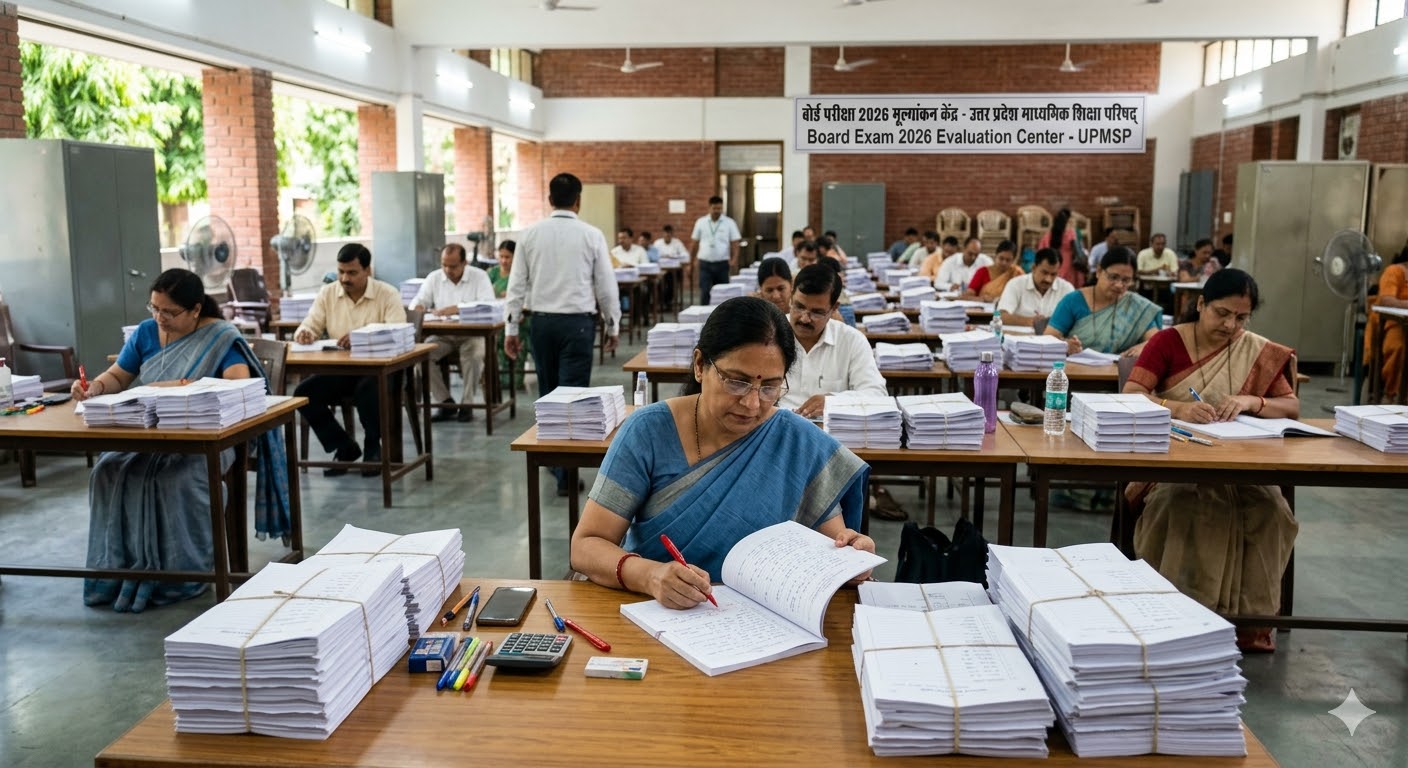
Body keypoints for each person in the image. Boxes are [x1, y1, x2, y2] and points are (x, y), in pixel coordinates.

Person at [568, 296, 874, 606]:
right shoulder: (649, 432)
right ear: (700, 365)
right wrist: (650, 576)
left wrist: (851, 557)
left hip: (767, 617)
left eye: (769, 387)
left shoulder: (797, 441)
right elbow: (586, 546)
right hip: (659, 612)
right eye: (737, 382)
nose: (752, 403)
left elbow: (834, 549)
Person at [73, 268, 289, 612]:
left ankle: (184, 576)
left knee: (173, 478)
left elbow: (238, 383)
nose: (160, 318)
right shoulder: (146, 333)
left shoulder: (220, 337)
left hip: (205, 440)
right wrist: (95, 387)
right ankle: (116, 571)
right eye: (154, 308)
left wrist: (177, 387)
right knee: (107, 471)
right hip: (146, 435)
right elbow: (119, 375)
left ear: (195, 310)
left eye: (169, 312)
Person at [1122, 269, 1298, 653]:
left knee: (1271, 510)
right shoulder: (1169, 342)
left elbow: (1292, 405)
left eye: (1241, 318)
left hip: (1240, 463)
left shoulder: (1255, 348)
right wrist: (1177, 408)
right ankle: (1174, 621)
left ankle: (1247, 626)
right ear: (1200, 304)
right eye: (1222, 313)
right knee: (1185, 503)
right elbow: (1132, 393)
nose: (1230, 325)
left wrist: (1254, 401)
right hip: (1173, 463)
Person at [506, 172, 621, 496]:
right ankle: (564, 473)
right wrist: (612, 324)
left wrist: (511, 328)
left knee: (547, 394)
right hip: (577, 325)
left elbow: (516, 286)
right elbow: (605, 285)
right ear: (578, 200)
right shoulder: (591, 234)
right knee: (572, 398)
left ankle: (556, 465)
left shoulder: (529, 235)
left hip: (541, 324)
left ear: (549, 199)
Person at [295, 243, 407, 476]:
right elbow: (310, 323)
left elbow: (397, 331)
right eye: (341, 272)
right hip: (342, 370)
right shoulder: (328, 293)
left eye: (352, 272)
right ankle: (344, 446)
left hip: (382, 371)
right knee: (304, 394)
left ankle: (372, 445)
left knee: (368, 388)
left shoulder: (387, 294)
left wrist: (362, 338)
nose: (345, 278)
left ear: (368, 270)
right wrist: (304, 332)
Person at [411, 243, 496, 423]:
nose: (448, 270)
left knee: (473, 354)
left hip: (472, 335)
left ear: (464, 263)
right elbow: (418, 301)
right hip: (444, 335)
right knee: (420, 356)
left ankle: (467, 405)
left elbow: (488, 304)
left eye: (453, 266)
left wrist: (458, 309)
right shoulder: (434, 278)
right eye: (444, 265)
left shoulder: (479, 277)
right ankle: (445, 402)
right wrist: (418, 306)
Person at [1044, 246, 1162, 356]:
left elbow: (1158, 341)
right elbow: (1048, 338)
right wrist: (1065, 345)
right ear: (1099, 271)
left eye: (1126, 280)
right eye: (1113, 277)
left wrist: (1143, 347)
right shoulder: (1073, 301)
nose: (1119, 285)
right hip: (1076, 372)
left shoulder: (1136, 306)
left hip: (1120, 374)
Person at [997, 247, 1074, 328]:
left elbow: (1074, 320)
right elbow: (1001, 316)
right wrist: (1031, 321)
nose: (1048, 279)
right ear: (1034, 268)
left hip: (1054, 338)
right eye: (1044, 272)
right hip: (1020, 337)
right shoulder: (1016, 284)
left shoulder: (1066, 289)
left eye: (1053, 274)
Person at [486, 240, 527, 392]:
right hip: (496, 316)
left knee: (514, 332)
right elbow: (485, 295)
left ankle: (514, 378)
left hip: (519, 317)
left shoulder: (521, 275)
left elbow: (525, 298)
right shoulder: (492, 273)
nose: (504, 260)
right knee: (492, 337)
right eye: (501, 256)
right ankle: (497, 377)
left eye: (508, 257)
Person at [1372, 245, 1408, 400]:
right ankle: (1393, 394)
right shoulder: (1394, 271)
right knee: (1399, 347)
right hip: (1396, 325)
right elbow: (1386, 300)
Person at [691, 195, 741, 305]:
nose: (717, 211)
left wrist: (734, 260)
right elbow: (694, 243)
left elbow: (735, 243)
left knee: (723, 293)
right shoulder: (701, 222)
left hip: (722, 264)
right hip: (705, 264)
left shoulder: (729, 222)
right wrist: (692, 261)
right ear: (709, 207)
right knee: (705, 292)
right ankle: (705, 318)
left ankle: (722, 319)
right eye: (715, 208)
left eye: (719, 208)